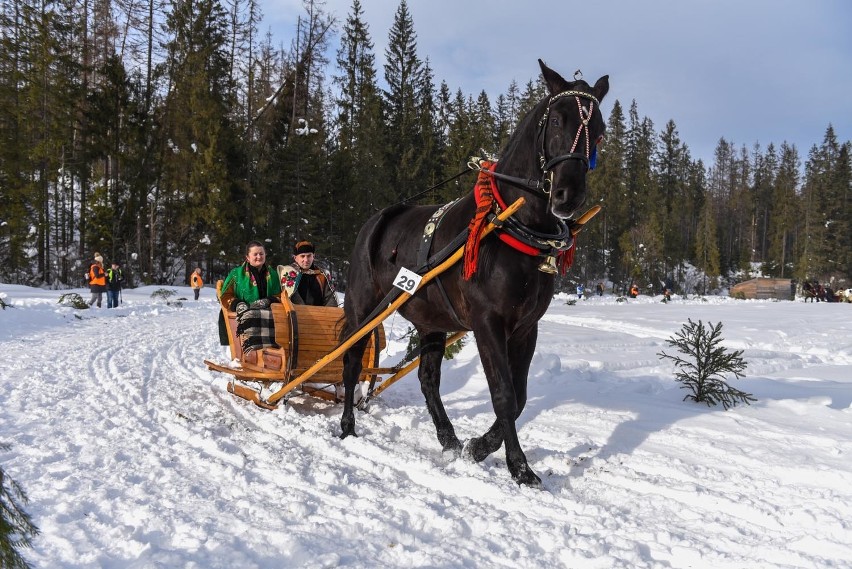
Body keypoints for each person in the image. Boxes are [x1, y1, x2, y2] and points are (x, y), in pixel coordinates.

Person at [218, 241, 283, 349]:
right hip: (244, 318)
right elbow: (225, 296)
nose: (259, 257)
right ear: (247, 257)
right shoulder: (236, 274)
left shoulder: (273, 274)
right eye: (255, 254)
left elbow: (280, 295)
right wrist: (238, 304)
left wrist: (268, 301)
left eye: (261, 254)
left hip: (269, 318)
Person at [277, 240, 338, 307]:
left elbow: (330, 298)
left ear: (313, 256)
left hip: (321, 314)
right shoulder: (287, 272)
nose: (306, 260)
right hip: (295, 313)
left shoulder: (322, 274)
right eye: (302, 256)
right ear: (295, 258)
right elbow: (289, 295)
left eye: (309, 256)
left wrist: (328, 313)